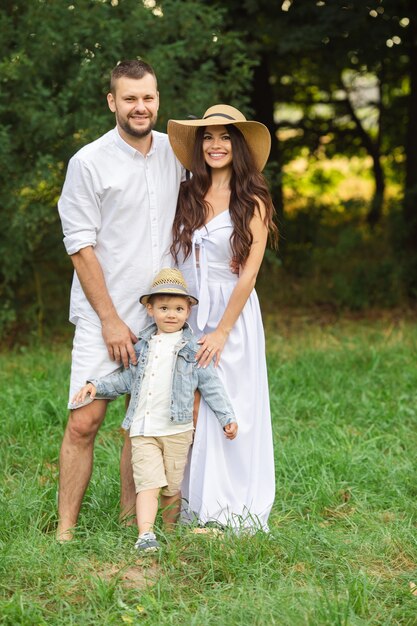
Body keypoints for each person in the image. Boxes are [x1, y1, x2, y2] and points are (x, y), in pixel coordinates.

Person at [56, 59, 184, 541]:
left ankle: (136, 525)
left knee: (144, 426)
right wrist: (110, 320)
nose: (140, 106)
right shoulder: (89, 162)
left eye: (147, 97)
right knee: (85, 420)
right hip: (103, 315)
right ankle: (65, 529)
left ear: (157, 99)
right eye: (129, 98)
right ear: (112, 102)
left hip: (164, 315)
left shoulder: (179, 153)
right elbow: (80, 246)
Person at [71, 268, 238, 552]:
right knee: (147, 483)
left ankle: (170, 532)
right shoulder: (144, 346)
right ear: (150, 310)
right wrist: (96, 386)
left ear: (188, 311)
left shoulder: (191, 349)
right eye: (163, 308)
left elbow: (211, 386)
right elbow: (126, 379)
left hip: (177, 429)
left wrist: (227, 417)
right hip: (144, 429)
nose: (171, 314)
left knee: (171, 487)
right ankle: (145, 535)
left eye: (178, 308)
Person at [167, 104, 278, 532]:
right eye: (208, 137)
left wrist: (222, 331)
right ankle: (194, 506)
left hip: (232, 316)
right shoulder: (187, 193)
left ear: (239, 146)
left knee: (230, 407)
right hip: (190, 310)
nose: (216, 145)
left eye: (225, 137)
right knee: (190, 407)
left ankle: (231, 510)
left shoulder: (254, 199)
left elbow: (249, 273)